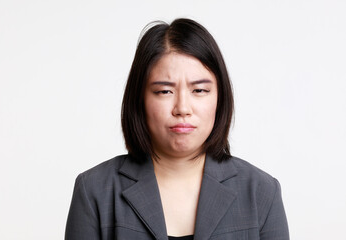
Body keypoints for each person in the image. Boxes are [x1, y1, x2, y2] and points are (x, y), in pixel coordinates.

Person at [65, 18, 289, 240]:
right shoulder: (94, 190)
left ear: (219, 99)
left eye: (199, 90)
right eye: (164, 91)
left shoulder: (261, 192)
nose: (182, 108)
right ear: (139, 99)